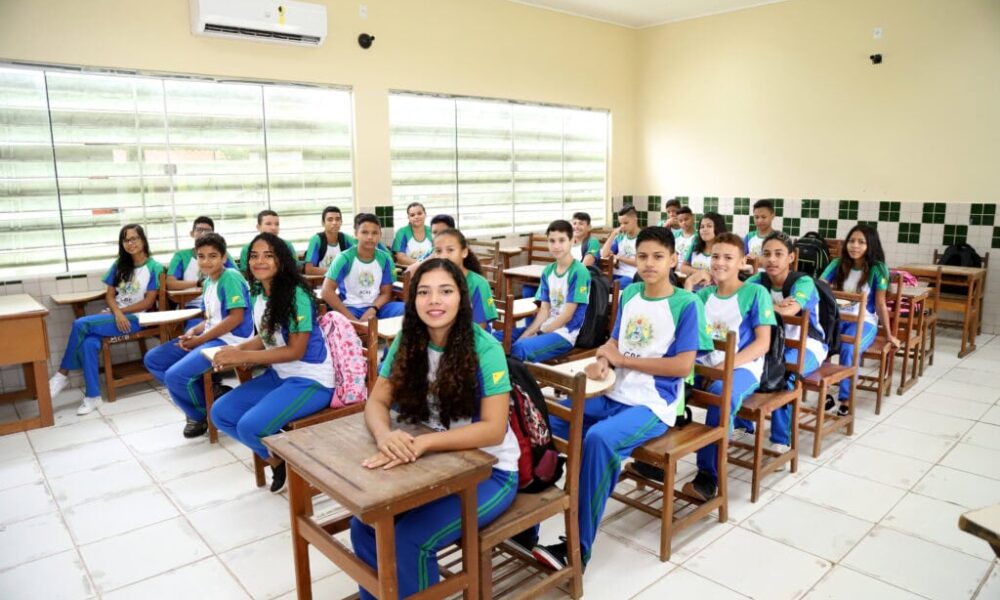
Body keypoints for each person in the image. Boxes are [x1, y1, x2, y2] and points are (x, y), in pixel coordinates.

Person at [531, 226, 710, 569]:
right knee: (545, 423)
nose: (649, 263)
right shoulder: (630, 295)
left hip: (653, 404)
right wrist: (603, 361)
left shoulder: (686, 304)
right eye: (642, 256)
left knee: (599, 439)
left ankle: (576, 549)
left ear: (674, 259)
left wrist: (623, 361)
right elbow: (613, 342)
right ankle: (528, 529)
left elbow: (683, 366)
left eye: (658, 256)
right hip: (614, 391)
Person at [350, 258, 518, 600]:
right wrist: (385, 435)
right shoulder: (408, 340)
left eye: (445, 291)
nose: (434, 301)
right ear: (412, 299)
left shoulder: (485, 349)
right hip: (436, 463)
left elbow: (493, 430)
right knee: (364, 525)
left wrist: (424, 444)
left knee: (411, 540)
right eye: (424, 292)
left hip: (490, 470)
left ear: (461, 297)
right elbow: (376, 402)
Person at [210, 233, 335, 492]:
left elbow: (296, 351)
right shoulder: (260, 292)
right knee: (221, 413)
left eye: (268, 255)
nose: (260, 261)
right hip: (280, 375)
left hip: (311, 380)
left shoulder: (296, 295)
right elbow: (266, 336)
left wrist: (243, 357)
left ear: (281, 260)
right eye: (254, 256)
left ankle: (296, 463)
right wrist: (234, 350)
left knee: (250, 426)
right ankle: (279, 461)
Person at [682, 233, 775, 501]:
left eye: (728, 257)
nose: (719, 263)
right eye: (715, 256)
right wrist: (688, 284)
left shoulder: (755, 293)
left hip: (742, 367)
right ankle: (655, 460)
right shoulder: (703, 295)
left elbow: (763, 344)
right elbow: (683, 329)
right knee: (667, 381)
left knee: (721, 394)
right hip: (705, 365)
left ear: (742, 262)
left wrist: (726, 365)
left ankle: (707, 475)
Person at [144, 233, 254, 438]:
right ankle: (207, 395)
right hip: (210, 336)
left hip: (231, 340)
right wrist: (193, 331)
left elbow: (235, 318)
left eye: (213, 256)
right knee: (155, 359)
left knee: (175, 376)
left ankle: (202, 414)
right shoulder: (208, 282)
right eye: (201, 256)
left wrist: (200, 339)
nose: (206, 261)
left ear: (224, 257)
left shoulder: (230, 277)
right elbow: (211, 318)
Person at [48, 224, 164, 415]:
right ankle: (93, 397)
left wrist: (120, 312)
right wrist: (117, 313)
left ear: (143, 240)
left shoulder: (154, 267)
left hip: (137, 318)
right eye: (126, 240)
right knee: (88, 343)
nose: (130, 243)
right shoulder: (119, 265)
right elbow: (109, 296)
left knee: (80, 323)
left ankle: (62, 374)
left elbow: (148, 302)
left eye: (134, 238)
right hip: (117, 316)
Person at [744, 232, 828, 455]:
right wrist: (775, 306)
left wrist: (763, 305)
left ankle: (782, 438)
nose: (771, 259)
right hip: (773, 344)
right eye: (767, 254)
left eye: (778, 254)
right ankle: (744, 427)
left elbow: (790, 311)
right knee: (745, 366)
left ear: (791, 257)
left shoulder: (803, 282)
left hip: (808, 345)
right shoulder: (757, 280)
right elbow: (738, 301)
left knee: (786, 374)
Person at [820, 223, 899, 415]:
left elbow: (880, 304)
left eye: (861, 242)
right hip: (838, 319)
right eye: (852, 241)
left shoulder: (878, 269)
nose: (855, 245)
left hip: (865, 322)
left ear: (870, 245)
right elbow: (820, 285)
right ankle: (825, 392)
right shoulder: (837, 263)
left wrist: (889, 335)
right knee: (820, 343)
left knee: (849, 349)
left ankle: (846, 399)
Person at [502, 220, 590, 363]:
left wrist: (539, 334)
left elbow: (567, 315)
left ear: (572, 241)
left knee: (519, 348)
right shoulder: (548, 271)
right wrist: (526, 334)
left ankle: (512, 377)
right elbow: (544, 310)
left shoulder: (579, 272)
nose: (556, 246)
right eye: (552, 241)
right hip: (546, 327)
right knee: (495, 339)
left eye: (562, 240)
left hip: (564, 334)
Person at [322, 213, 405, 320]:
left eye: (374, 233)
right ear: (356, 234)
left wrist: (372, 310)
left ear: (380, 235)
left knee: (408, 309)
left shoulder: (386, 258)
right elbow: (326, 291)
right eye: (365, 232)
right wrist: (353, 320)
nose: (370, 237)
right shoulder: (344, 258)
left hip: (377, 308)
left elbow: (386, 293)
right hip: (350, 308)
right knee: (336, 319)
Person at [432, 228, 498, 327]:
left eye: (450, 250)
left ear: (464, 252)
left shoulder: (479, 284)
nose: (443, 256)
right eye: (438, 251)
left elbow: (479, 327)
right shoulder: (431, 281)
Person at [680, 212, 727, 290]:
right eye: (702, 227)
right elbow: (683, 267)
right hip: (692, 291)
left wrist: (710, 276)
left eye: (709, 226)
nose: (704, 229)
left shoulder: (726, 249)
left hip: (714, 292)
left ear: (718, 228)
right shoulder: (695, 244)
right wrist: (701, 273)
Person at [304, 206, 356, 276]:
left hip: (342, 281)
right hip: (321, 281)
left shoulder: (346, 239)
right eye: (330, 220)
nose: (334, 223)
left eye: (337, 219)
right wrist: (336, 272)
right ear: (323, 223)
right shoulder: (316, 240)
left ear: (341, 222)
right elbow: (309, 270)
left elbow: (360, 257)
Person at [600, 205, 641, 287]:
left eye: (626, 223)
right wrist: (613, 234)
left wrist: (619, 257)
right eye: (620, 223)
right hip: (615, 273)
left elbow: (639, 262)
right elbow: (604, 254)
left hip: (632, 275)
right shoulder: (620, 237)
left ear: (635, 219)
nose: (622, 226)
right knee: (598, 284)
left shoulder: (644, 238)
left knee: (613, 287)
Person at [392, 202, 433, 266]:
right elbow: (400, 258)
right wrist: (422, 264)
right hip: (409, 269)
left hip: (430, 268)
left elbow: (438, 253)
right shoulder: (402, 232)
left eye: (419, 213)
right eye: (412, 215)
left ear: (425, 215)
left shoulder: (433, 231)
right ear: (408, 218)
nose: (416, 217)